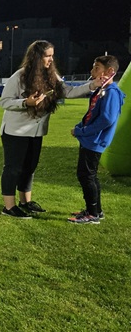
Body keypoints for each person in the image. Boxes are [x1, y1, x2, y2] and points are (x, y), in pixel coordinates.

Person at [0, 40, 95, 218]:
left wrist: (92, 85)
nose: (51, 59)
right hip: (16, 131)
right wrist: (26, 102)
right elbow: (4, 102)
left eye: (52, 56)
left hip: (37, 131)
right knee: (13, 168)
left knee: (30, 167)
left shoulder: (52, 76)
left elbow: (68, 91)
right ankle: (9, 207)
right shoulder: (19, 76)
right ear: (36, 57)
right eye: (47, 56)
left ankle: (25, 202)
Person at [68, 55, 125, 224]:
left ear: (110, 71)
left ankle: (92, 215)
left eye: (96, 68)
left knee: (86, 176)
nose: (92, 71)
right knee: (89, 176)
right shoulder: (102, 90)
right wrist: (80, 127)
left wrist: (82, 131)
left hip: (94, 141)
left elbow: (106, 119)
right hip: (90, 139)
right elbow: (92, 114)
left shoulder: (112, 92)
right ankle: (95, 211)